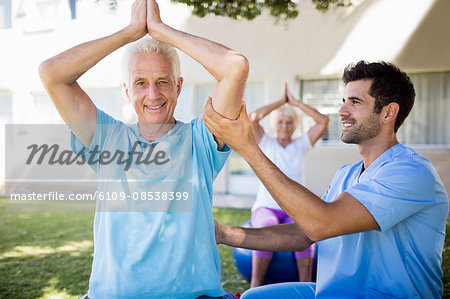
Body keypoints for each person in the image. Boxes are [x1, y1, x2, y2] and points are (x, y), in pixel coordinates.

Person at [39, 0, 248, 298]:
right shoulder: (106, 138)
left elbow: (234, 67)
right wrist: (129, 33)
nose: (153, 94)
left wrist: (161, 31)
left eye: (163, 81)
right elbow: (52, 73)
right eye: (140, 83)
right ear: (127, 91)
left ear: (179, 87)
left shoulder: (200, 140)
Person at [203, 61, 448, 298]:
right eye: (344, 101)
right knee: (252, 297)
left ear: (388, 112)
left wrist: (248, 148)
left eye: (355, 102)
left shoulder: (412, 172)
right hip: (332, 292)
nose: (342, 111)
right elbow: (304, 233)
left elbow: (322, 224)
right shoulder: (346, 174)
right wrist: (224, 233)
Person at [248, 83, 328, 287]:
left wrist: (296, 103)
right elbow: (253, 118)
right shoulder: (265, 143)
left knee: (305, 231)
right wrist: (280, 102)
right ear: (275, 124)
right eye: (281, 122)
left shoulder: (301, 145)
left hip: (294, 209)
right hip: (266, 208)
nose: (284, 126)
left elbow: (323, 121)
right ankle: (255, 287)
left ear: (295, 125)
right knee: (267, 229)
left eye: (289, 122)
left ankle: (307, 288)